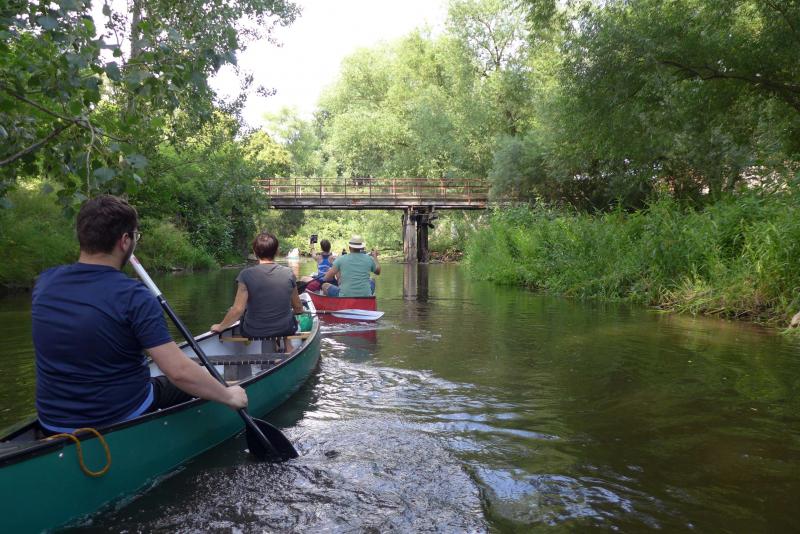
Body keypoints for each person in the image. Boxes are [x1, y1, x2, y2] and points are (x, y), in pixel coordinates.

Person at [32, 195, 247, 434]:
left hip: (52, 421)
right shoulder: (134, 296)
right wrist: (228, 395)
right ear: (125, 241)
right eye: (136, 236)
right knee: (204, 378)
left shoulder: (45, 283)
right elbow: (178, 372)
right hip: (121, 412)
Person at [211, 232, 303, 342]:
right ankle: (287, 345)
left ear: (255, 252)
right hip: (285, 329)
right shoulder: (289, 273)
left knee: (238, 310)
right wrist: (293, 313)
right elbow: (298, 307)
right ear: (277, 251)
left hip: (252, 331)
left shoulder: (245, 275)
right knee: (289, 317)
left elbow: (238, 309)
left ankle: (279, 343)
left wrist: (220, 326)